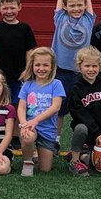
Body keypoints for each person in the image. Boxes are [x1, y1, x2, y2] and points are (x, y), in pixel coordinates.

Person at [67, 46, 101, 176]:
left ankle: (84, 154)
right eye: (87, 66)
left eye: (94, 66)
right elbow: (79, 114)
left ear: (100, 66)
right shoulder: (76, 88)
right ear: (79, 67)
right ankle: (74, 161)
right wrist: (96, 132)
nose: (91, 69)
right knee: (80, 128)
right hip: (89, 133)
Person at [51, 0, 94, 119]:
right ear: (65, 7)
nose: (76, 9)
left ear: (84, 6)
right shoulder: (60, 17)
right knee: (60, 106)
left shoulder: (88, 19)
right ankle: (55, 138)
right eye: (72, 6)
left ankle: (83, 138)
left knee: (82, 106)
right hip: (61, 69)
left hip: (81, 70)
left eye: (79, 5)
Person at [0, 0, 36, 107]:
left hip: (20, 75)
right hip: (0, 75)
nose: (9, 11)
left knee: (18, 105)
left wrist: (27, 70)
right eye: (5, 8)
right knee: (1, 104)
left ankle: (17, 126)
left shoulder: (25, 28)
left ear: (19, 7)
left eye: (12, 8)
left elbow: (30, 51)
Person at [16, 46, 64, 177]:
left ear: (52, 67)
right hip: (31, 127)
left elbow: (56, 107)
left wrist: (36, 120)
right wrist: (24, 123)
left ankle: (39, 151)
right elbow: (21, 107)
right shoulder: (27, 85)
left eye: (45, 65)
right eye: (37, 65)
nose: (41, 68)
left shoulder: (56, 84)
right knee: (27, 136)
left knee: (45, 169)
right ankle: (27, 162)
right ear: (32, 66)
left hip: (47, 129)